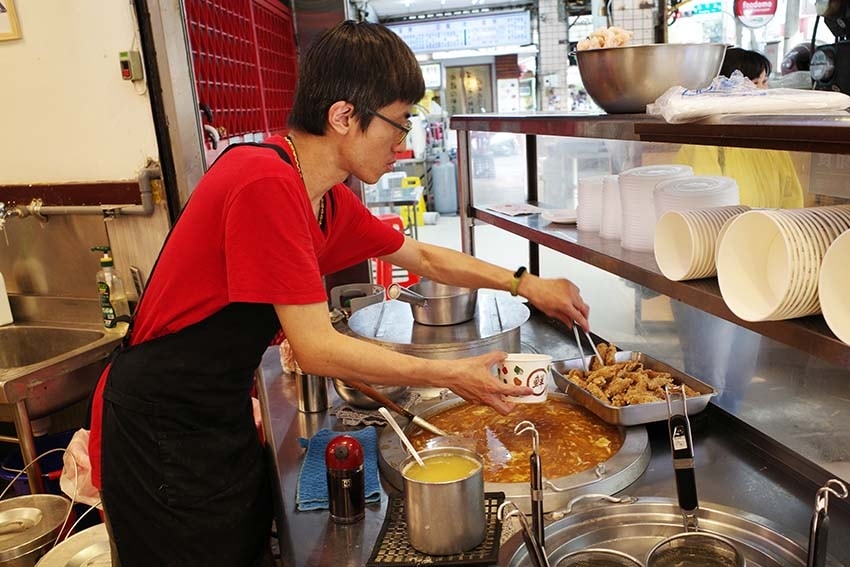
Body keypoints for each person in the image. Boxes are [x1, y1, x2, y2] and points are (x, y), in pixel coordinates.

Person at [89, 20, 590, 567]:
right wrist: (453, 374)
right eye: (397, 126)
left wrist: (526, 283)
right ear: (344, 116)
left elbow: (423, 257)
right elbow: (317, 349)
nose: (402, 147)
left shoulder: (323, 198)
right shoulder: (266, 183)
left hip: (216, 414)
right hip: (160, 425)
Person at [675, 47, 804, 209]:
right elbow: (704, 203)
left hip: (769, 228)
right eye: (755, 83)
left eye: (764, 82)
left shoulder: (769, 136)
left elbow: (790, 194)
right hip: (723, 229)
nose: (763, 90)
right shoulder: (708, 139)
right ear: (725, 87)